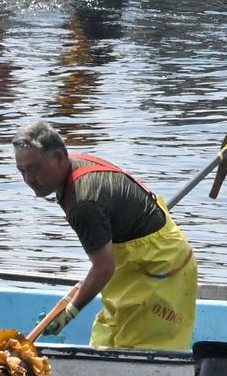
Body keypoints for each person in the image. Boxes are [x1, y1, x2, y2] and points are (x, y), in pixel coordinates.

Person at [11, 120, 197, 350]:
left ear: (59, 158)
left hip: (160, 268)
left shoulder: (84, 201)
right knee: (104, 341)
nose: (28, 179)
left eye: (34, 169)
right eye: (22, 171)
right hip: (134, 264)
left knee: (134, 350)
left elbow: (104, 267)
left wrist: (70, 312)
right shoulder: (71, 170)